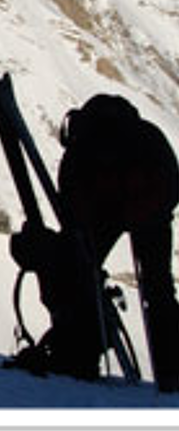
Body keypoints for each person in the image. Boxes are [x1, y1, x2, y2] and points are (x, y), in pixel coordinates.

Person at [15, 93, 179, 390]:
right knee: (158, 288)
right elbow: (170, 185)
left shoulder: (82, 149)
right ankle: (172, 370)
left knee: (81, 276)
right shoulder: (146, 140)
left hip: (114, 212)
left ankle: (80, 354)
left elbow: (71, 202)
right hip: (145, 211)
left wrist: (84, 230)